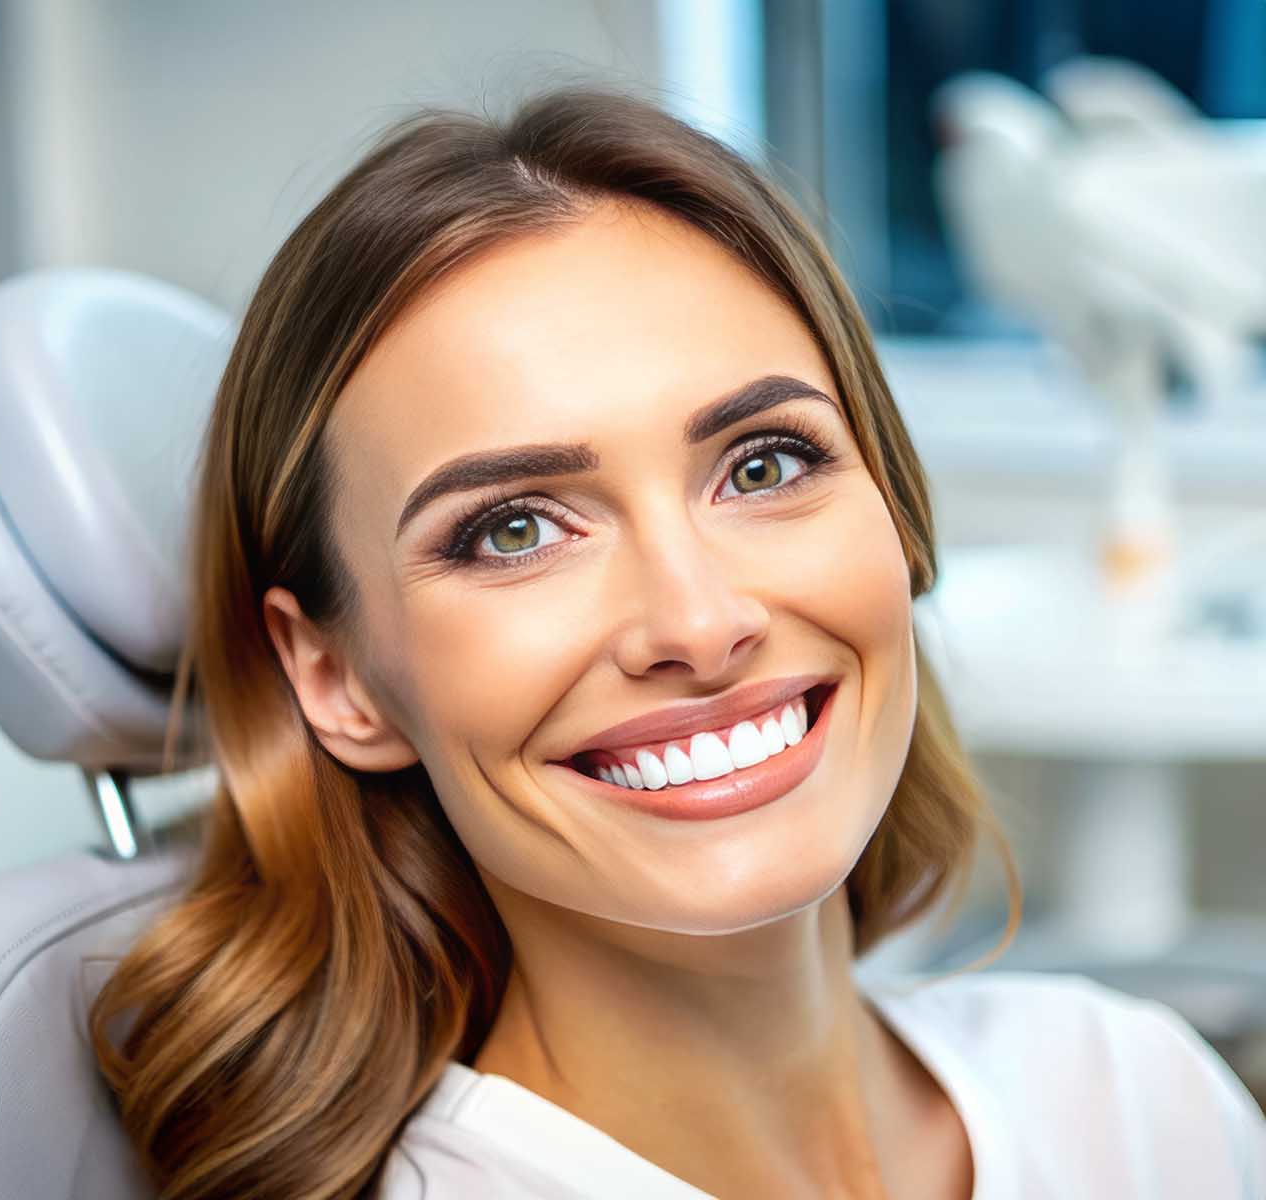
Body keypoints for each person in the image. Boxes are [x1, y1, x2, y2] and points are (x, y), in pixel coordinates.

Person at [88, 84, 1266, 1199]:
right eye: (512, 532)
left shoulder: (1131, 1093)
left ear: (897, 513)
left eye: (764, 464)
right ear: (336, 679)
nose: (699, 625)